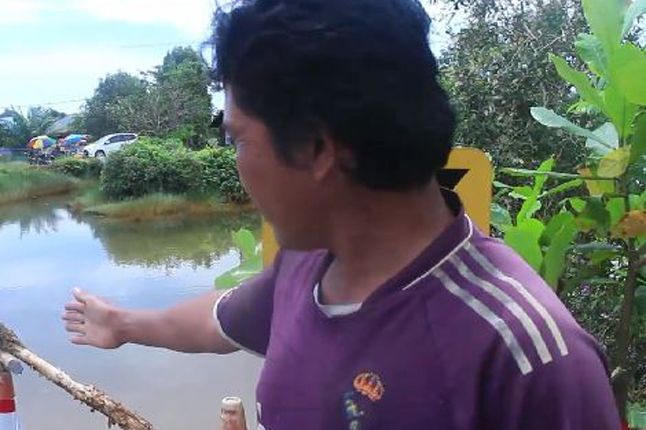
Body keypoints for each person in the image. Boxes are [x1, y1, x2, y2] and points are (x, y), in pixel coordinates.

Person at [62, 0, 619, 429]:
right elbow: (221, 319)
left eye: (239, 140)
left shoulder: (526, 358)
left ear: (316, 148)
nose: (237, 166)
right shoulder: (307, 267)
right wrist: (123, 325)